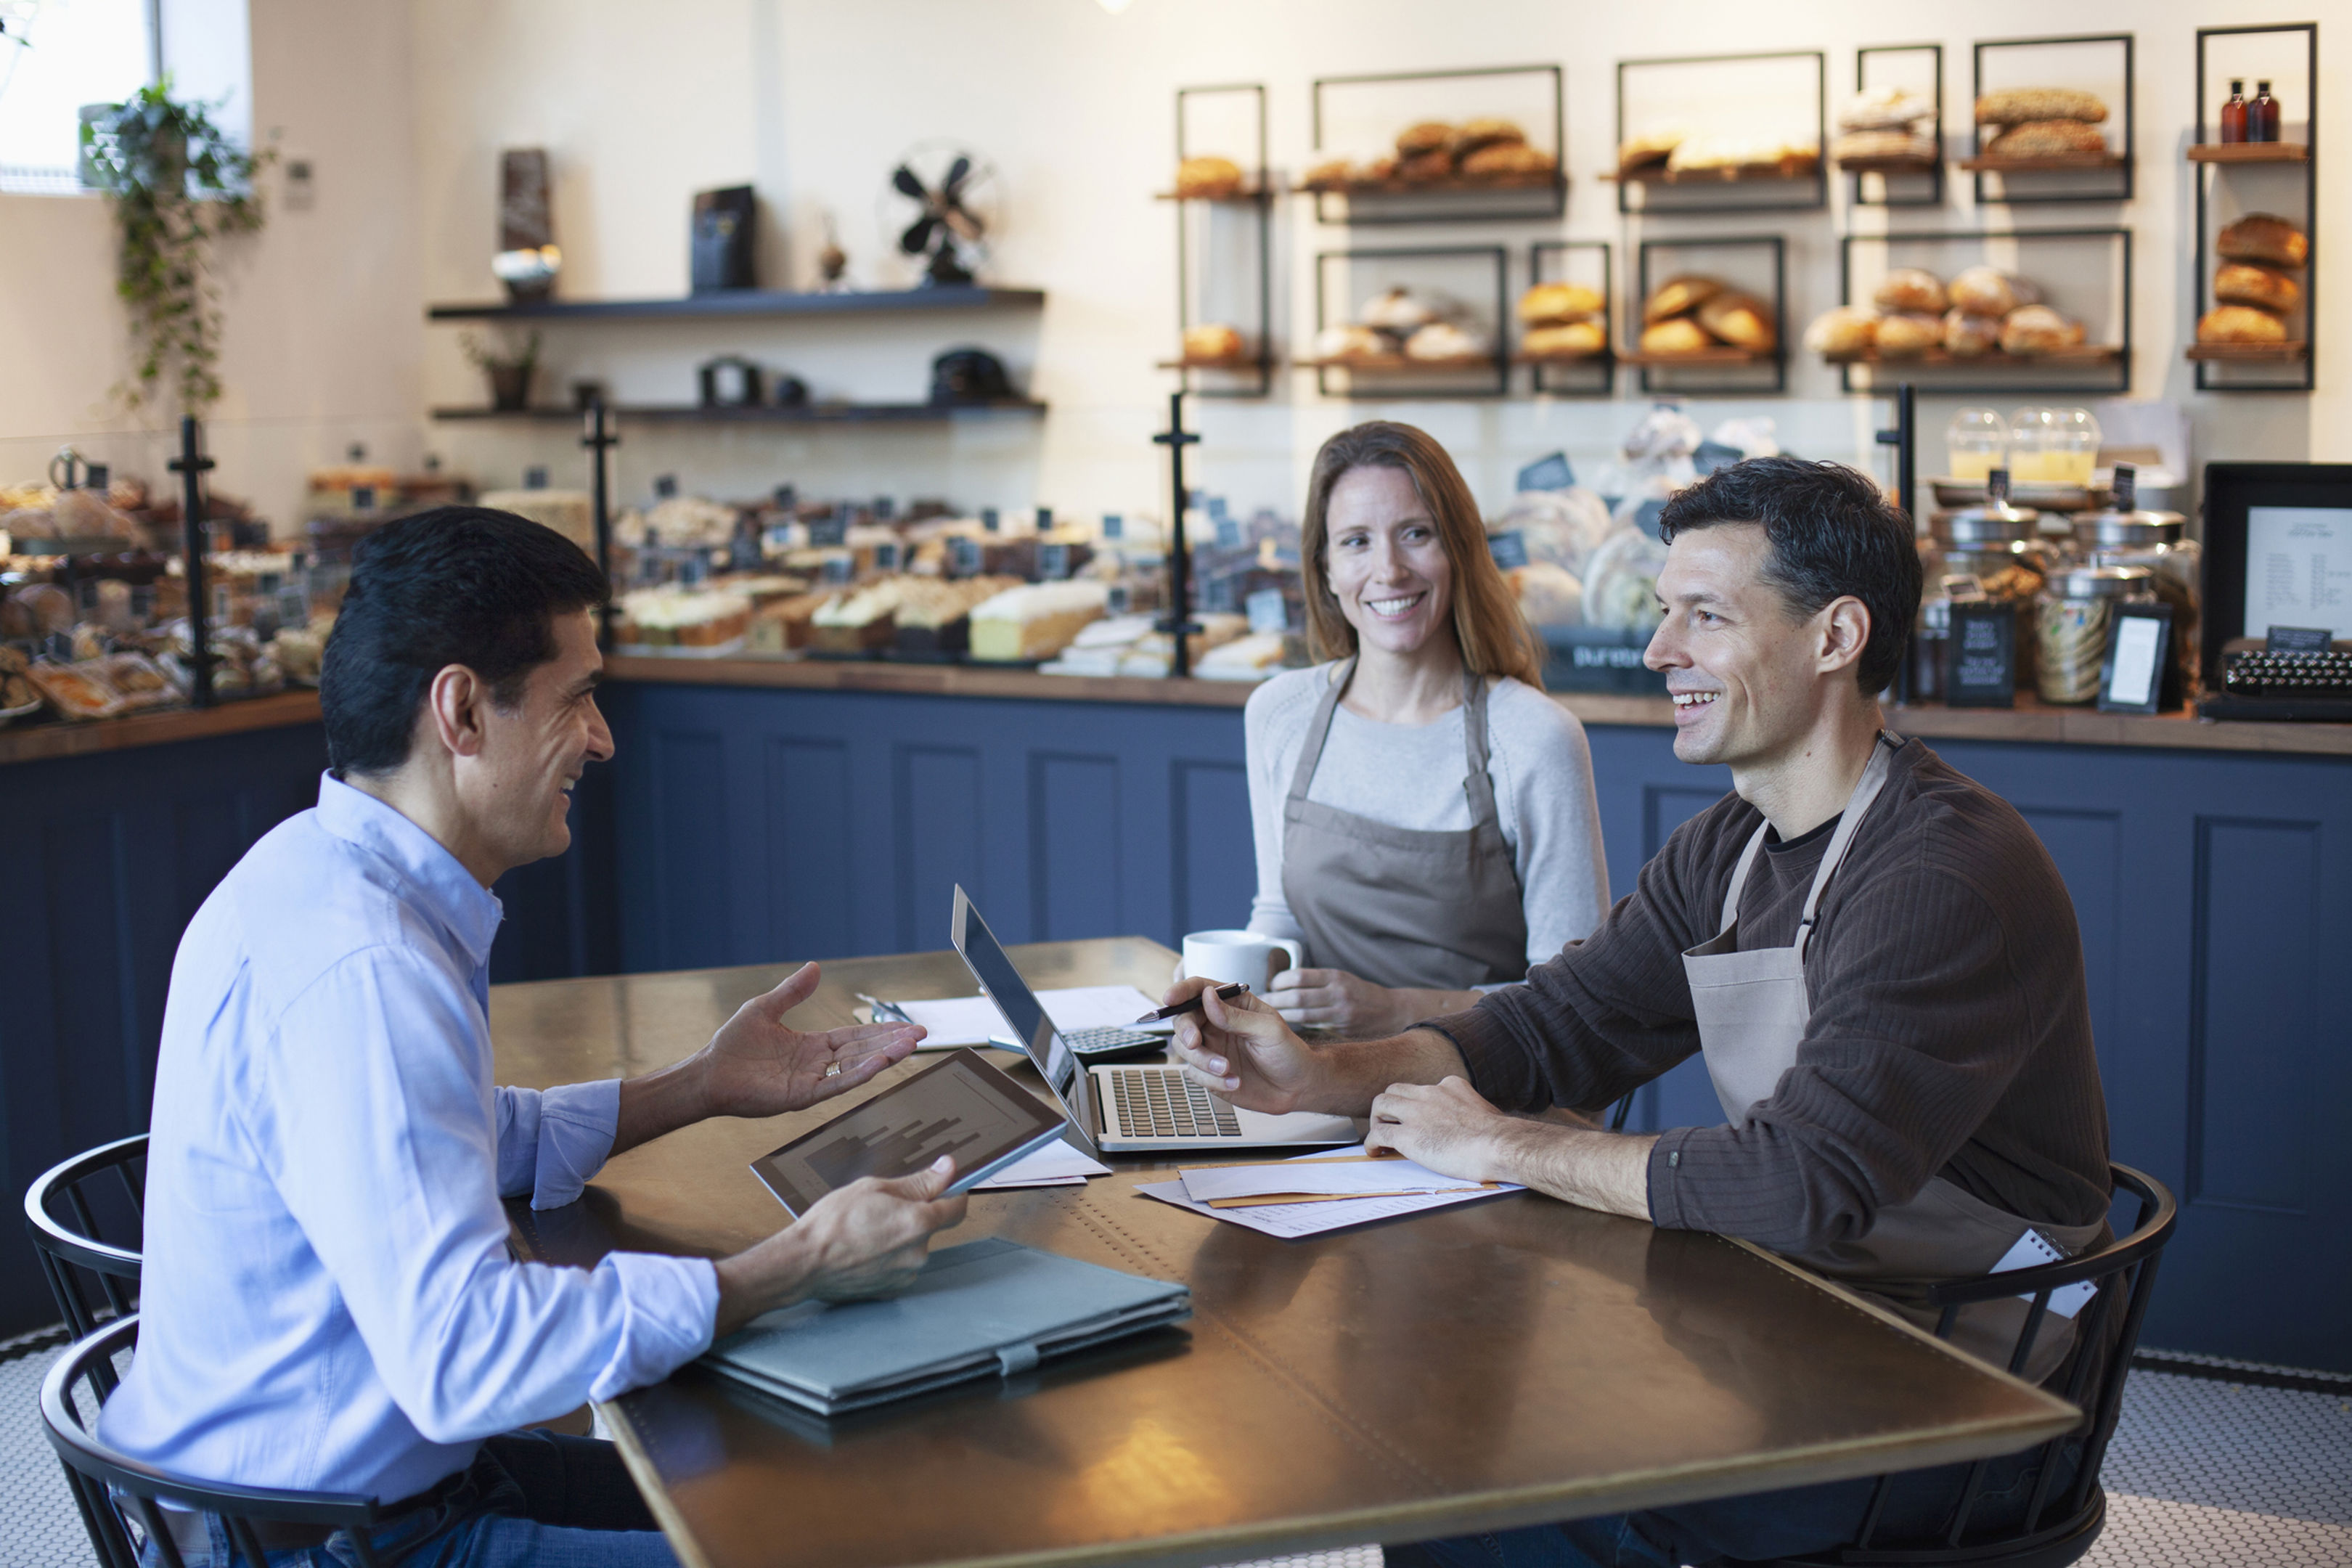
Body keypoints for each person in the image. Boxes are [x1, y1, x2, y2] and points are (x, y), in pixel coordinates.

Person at [1165, 457, 2113, 1567]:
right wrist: (1320, 1076)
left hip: (1967, 1393)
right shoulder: (1733, 842)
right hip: (1811, 1312)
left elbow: (1797, 1183)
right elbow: (1552, 1025)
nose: (1662, 652)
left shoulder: (1942, 876)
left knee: (1488, 1470)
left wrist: (1503, 1146)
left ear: (1836, 637)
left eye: (1705, 617)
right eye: (1667, 614)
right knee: (1448, 1420)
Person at [102, 508, 967, 1568]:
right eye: (579, 697)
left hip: (359, 1487)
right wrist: (795, 1262)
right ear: (462, 711)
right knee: (859, 1546)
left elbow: (450, 1138)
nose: (603, 737)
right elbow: (463, 1357)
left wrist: (702, 1084)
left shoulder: (315, 871)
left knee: (820, 1492)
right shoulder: (367, 973)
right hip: (330, 1542)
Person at [1231, 421, 1609, 1036]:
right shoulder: (1278, 713)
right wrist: (1225, 994)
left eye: (1416, 534)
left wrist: (1398, 1011)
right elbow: (1280, 916)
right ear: (1324, 568)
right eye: (1356, 541)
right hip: (1314, 1086)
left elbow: (1574, 1002)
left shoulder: (1534, 737)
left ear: (1457, 550)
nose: (1389, 570)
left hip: (1484, 1102)